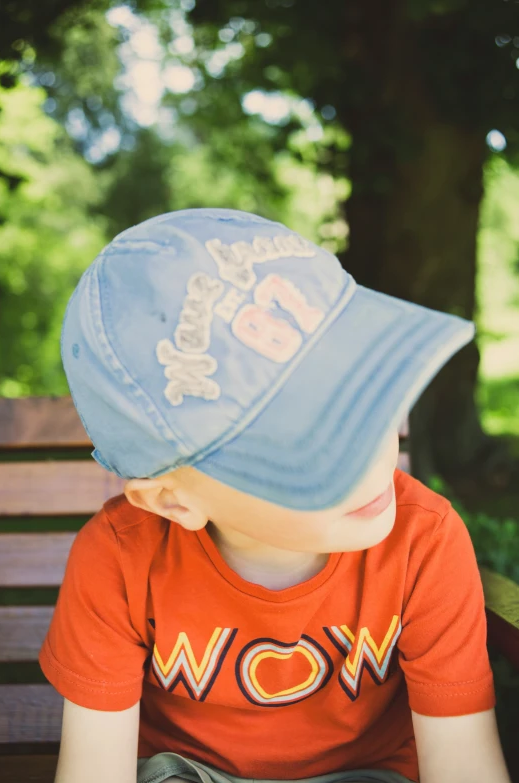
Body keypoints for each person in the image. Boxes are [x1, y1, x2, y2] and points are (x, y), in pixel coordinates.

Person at [38, 209, 511, 783]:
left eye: (363, 399)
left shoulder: (425, 541)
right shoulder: (119, 558)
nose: (371, 459)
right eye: (308, 444)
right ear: (171, 500)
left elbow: (464, 766)